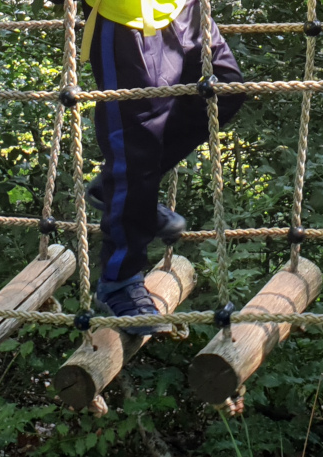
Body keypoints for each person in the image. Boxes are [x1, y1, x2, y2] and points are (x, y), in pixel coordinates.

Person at [80, 0, 245, 335]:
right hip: (126, 18)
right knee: (136, 141)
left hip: (184, 9)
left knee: (223, 91)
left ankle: (121, 190)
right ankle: (119, 279)